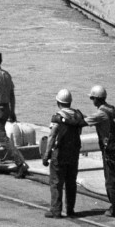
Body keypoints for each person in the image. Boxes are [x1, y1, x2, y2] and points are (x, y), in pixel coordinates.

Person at [41, 88, 86, 219]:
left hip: (60, 154)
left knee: (56, 182)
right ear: (70, 102)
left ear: (58, 102)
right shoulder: (78, 115)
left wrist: (46, 155)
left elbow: (52, 137)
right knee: (71, 183)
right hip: (74, 154)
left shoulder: (57, 117)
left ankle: (56, 210)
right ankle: (70, 210)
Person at [85, 85, 115, 217]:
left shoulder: (101, 113)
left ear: (96, 99)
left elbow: (84, 122)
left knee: (111, 179)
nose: (92, 101)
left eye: (92, 98)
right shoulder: (113, 110)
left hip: (110, 150)